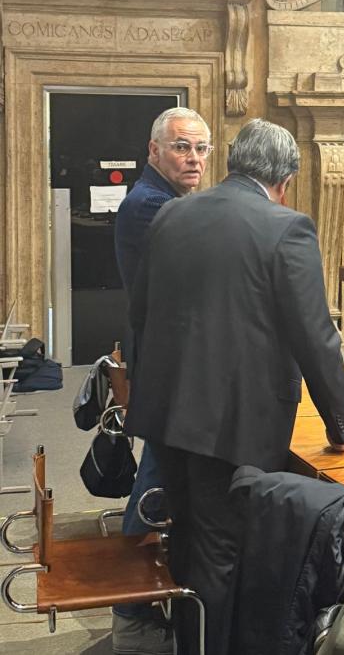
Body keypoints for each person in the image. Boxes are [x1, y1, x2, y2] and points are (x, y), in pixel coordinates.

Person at [124, 118, 344, 655]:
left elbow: (139, 313)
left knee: (186, 540)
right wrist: (341, 424)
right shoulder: (287, 227)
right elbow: (315, 336)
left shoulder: (172, 214)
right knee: (221, 555)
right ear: (285, 180)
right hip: (231, 423)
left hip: (165, 412)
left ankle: (188, 642)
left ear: (232, 161)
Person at [112, 105, 211, 655]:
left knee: (162, 477)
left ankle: (141, 605)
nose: (193, 158)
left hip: (168, 362)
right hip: (166, 367)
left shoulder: (169, 201)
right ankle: (130, 614)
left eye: (201, 148)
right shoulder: (152, 206)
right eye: (181, 147)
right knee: (155, 483)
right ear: (154, 151)